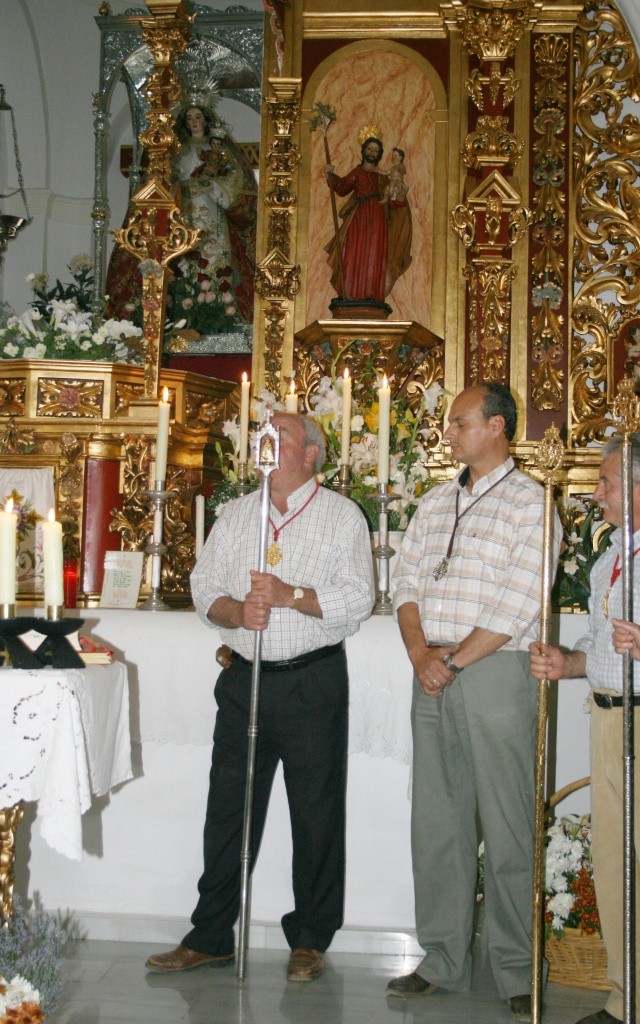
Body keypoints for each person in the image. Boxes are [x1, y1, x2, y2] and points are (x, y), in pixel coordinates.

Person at [145, 413, 375, 982]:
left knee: (315, 813)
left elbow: (358, 600)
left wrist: (290, 596)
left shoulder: (343, 517)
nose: (264, 448)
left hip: (310, 682)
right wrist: (235, 612)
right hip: (244, 679)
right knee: (227, 810)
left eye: (278, 440)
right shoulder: (238, 514)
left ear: (312, 455)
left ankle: (310, 938)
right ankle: (211, 933)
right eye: (261, 440)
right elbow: (205, 590)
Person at [389, 383, 559, 1023]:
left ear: (496, 427)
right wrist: (419, 656)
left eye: (459, 422)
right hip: (429, 666)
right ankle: (442, 960)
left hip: (491, 671)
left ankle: (517, 969)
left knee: (509, 824)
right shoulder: (435, 503)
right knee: (437, 823)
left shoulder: (531, 504)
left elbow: (519, 604)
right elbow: (405, 583)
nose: (448, 433)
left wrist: (451, 661)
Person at [530, 433, 640, 1024]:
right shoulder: (611, 555)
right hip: (608, 714)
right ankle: (625, 996)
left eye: (608, 483)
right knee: (613, 859)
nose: (596, 494)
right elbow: (601, 646)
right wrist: (565, 664)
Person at [171, 105, 257, 323]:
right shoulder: (177, 151)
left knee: (214, 256)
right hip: (185, 214)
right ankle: (186, 312)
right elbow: (169, 180)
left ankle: (220, 310)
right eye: (189, 117)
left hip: (213, 213)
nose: (194, 121)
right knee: (187, 260)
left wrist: (214, 186)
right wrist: (182, 187)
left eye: (198, 116)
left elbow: (236, 180)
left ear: (206, 120)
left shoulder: (219, 150)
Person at [323, 136, 390, 305]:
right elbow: (343, 187)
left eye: (376, 150)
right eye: (370, 149)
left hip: (377, 218)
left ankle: (371, 294)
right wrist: (329, 175)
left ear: (380, 154)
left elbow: (394, 199)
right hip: (359, 216)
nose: (372, 153)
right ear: (364, 151)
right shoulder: (357, 172)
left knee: (374, 253)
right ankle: (349, 292)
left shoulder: (381, 177)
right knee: (352, 251)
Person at [380, 147, 412, 296]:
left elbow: (398, 175)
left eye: (396, 155)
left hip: (396, 193)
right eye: (392, 156)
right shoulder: (391, 171)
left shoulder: (399, 169)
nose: (394, 158)